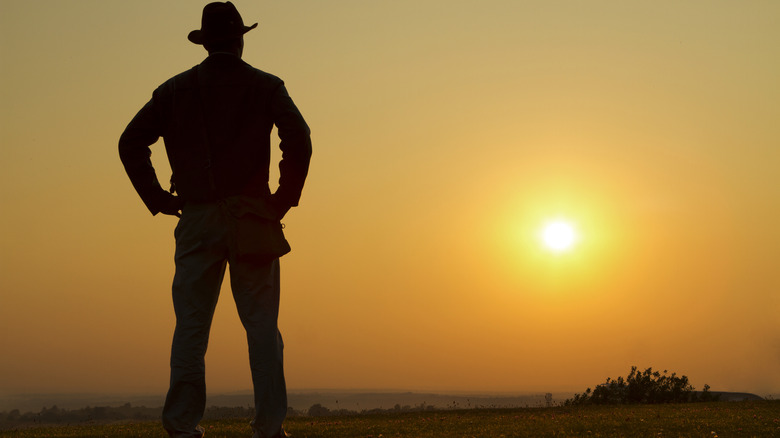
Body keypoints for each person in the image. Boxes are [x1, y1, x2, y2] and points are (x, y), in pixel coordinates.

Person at [118, 2, 311, 437]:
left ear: (205, 42)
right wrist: (283, 199)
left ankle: (183, 426)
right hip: (253, 215)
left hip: (198, 216)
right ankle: (269, 427)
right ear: (240, 39)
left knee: (191, 326)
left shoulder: (173, 91)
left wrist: (159, 199)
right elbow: (299, 137)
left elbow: (130, 142)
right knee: (262, 327)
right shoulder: (265, 85)